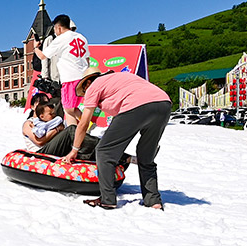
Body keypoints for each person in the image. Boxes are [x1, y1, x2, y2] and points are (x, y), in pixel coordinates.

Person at [64, 68, 172, 210]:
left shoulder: (93, 86)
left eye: (84, 90)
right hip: (163, 104)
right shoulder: (119, 79)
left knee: (104, 151)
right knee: (146, 156)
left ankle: (107, 199)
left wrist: (74, 150)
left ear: (88, 82)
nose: (85, 95)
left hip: (137, 105)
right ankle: (153, 201)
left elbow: (83, 124)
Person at [35, 14, 90, 126]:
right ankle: (85, 125)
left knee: (68, 110)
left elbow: (42, 56)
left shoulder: (61, 39)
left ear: (59, 28)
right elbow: (87, 59)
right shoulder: (82, 37)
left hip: (70, 78)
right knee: (71, 108)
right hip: (84, 78)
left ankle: (75, 134)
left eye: (55, 29)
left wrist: (36, 47)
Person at [21, 92, 99, 159]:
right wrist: (57, 130)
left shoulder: (53, 120)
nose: (45, 105)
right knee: (71, 130)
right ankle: (101, 146)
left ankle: (95, 154)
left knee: (73, 136)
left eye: (47, 103)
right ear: (32, 107)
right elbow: (39, 141)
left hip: (54, 149)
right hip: (40, 153)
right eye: (41, 103)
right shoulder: (29, 123)